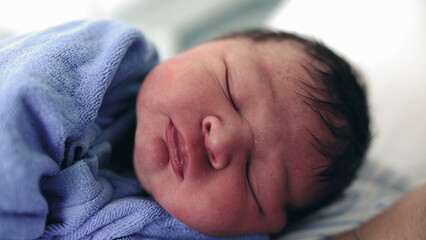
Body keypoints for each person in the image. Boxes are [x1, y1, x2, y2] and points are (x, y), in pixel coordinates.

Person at [132, 29, 371, 236]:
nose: (218, 141)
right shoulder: (103, 58)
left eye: (249, 177)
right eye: (230, 89)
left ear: (265, 226)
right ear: (203, 45)